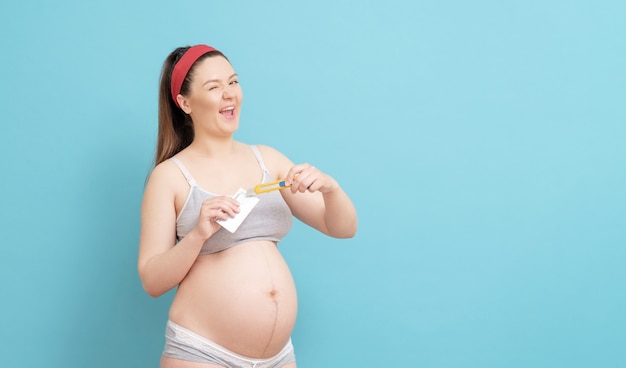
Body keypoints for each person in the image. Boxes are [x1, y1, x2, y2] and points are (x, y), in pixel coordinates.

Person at [138, 44, 358, 368]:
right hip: (203, 353)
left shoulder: (267, 159)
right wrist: (198, 234)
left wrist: (330, 188)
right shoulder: (170, 177)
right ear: (185, 103)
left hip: (278, 356)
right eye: (214, 87)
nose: (229, 94)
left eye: (233, 82)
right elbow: (152, 281)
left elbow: (342, 228)